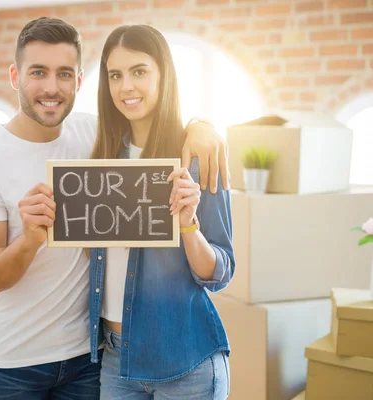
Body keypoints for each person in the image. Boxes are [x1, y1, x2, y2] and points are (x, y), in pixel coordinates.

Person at [0, 17, 229, 400]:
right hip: (37, 362)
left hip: (94, 359)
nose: (52, 87)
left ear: (78, 82)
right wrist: (31, 238)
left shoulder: (101, 140)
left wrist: (202, 126)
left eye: (64, 74)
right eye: (38, 72)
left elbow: (220, 269)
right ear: (15, 76)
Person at [87, 25, 235, 399]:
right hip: (115, 361)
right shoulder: (101, 162)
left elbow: (219, 271)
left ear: (163, 75)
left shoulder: (196, 157)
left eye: (139, 71)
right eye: (115, 75)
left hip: (184, 362)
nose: (126, 87)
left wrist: (188, 226)